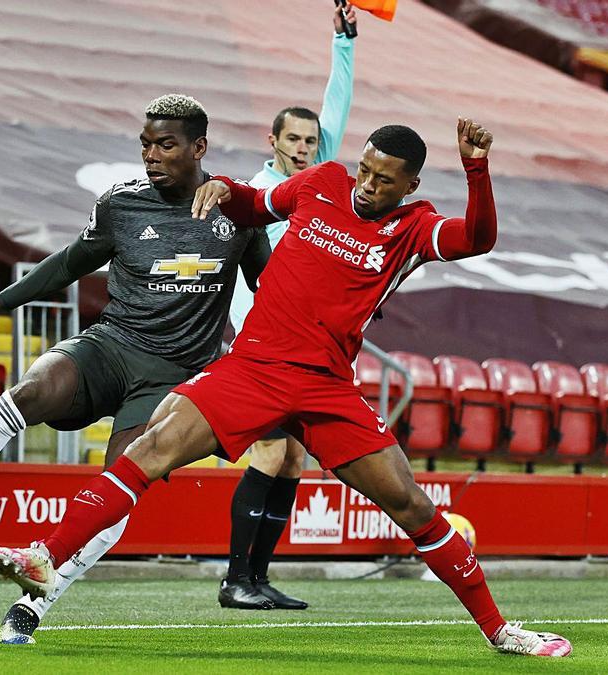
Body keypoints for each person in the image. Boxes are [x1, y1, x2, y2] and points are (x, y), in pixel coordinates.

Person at [0, 118, 573, 657]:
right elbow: (257, 204)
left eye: (383, 180)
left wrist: (477, 168)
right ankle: (45, 558)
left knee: (411, 505)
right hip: (255, 367)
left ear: (409, 183)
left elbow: (478, 238)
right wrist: (225, 192)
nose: (367, 185)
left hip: (326, 388)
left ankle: (500, 631)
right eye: (364, 170)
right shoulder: (321, 182)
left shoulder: (413, 227)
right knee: (149, 448)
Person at [0, 94, 271, 645]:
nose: (151, 156)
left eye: (166, 145)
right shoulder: (121, 204)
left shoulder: (240, 216)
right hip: (112, 345)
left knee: (120, 481)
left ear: (199, 147)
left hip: (175, 375)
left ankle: (31, 607)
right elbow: (69, 262)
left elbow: (270, 293)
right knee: (32, 390)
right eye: (145, 144)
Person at [220, 1, 358, 612]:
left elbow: (338, 106)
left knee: (295, 460)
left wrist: (345, 45)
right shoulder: (262, 198)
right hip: (263, 348)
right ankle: (233, 580)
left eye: (311, 141)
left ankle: (259, 577)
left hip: (304, 349)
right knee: (271, 452)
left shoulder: (315, 189)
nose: (304, 148)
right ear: (270, 142)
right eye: (293, 139)